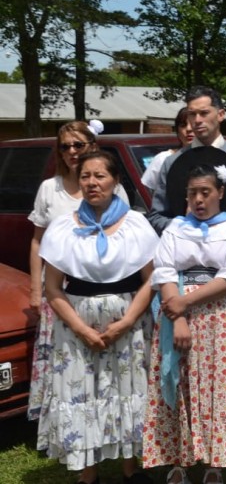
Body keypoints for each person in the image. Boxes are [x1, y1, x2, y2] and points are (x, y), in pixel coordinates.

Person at [143, 164, 226, 484]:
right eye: (193, 193)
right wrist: (178, 317)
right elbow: (164, 272)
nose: (199, 200)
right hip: (178, 315)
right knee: (181, 384)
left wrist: (186, 302)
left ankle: (217, 458)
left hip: (223, 319)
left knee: (221, 386)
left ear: (220, 193)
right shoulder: (176, 229)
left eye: (206, 192)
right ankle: (179, 456)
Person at [37, 150, 159, 484]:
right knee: (83, 393)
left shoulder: (136, 224)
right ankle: (87, 473)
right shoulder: (63, 227)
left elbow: (151, 279)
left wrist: (126, 321)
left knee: (127, 390)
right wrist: (80, 328)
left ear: (116, 180)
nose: (92, 183)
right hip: (77, 325)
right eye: (86, 176)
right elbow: (52, 288)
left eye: (100, 176)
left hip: (128, 322)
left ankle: (131, 470)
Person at [27, 120, 130, 421]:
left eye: (78, 145)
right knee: (60, 355)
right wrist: (36, 289)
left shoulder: (114, 189)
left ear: (92, 146)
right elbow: (37, 243)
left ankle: (104, 415)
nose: (72, 151)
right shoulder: (50, 189)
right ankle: (60, 420)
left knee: (100, 352)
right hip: (58, 288)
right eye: (65, 146)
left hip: (99, 288)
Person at [147, 86, 226, 293]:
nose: (197, 120)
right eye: (192, 114)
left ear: (220, 115)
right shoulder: (172, 163)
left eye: (204, 113)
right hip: (184, 274)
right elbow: (156, 216)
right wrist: (182, 225)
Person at [141, 107, 194, 191]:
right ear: (177, 130)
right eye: (183, 125)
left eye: (193, 124)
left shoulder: (214, 157)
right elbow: (147, 192)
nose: (188, 129)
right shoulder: (163, 159)